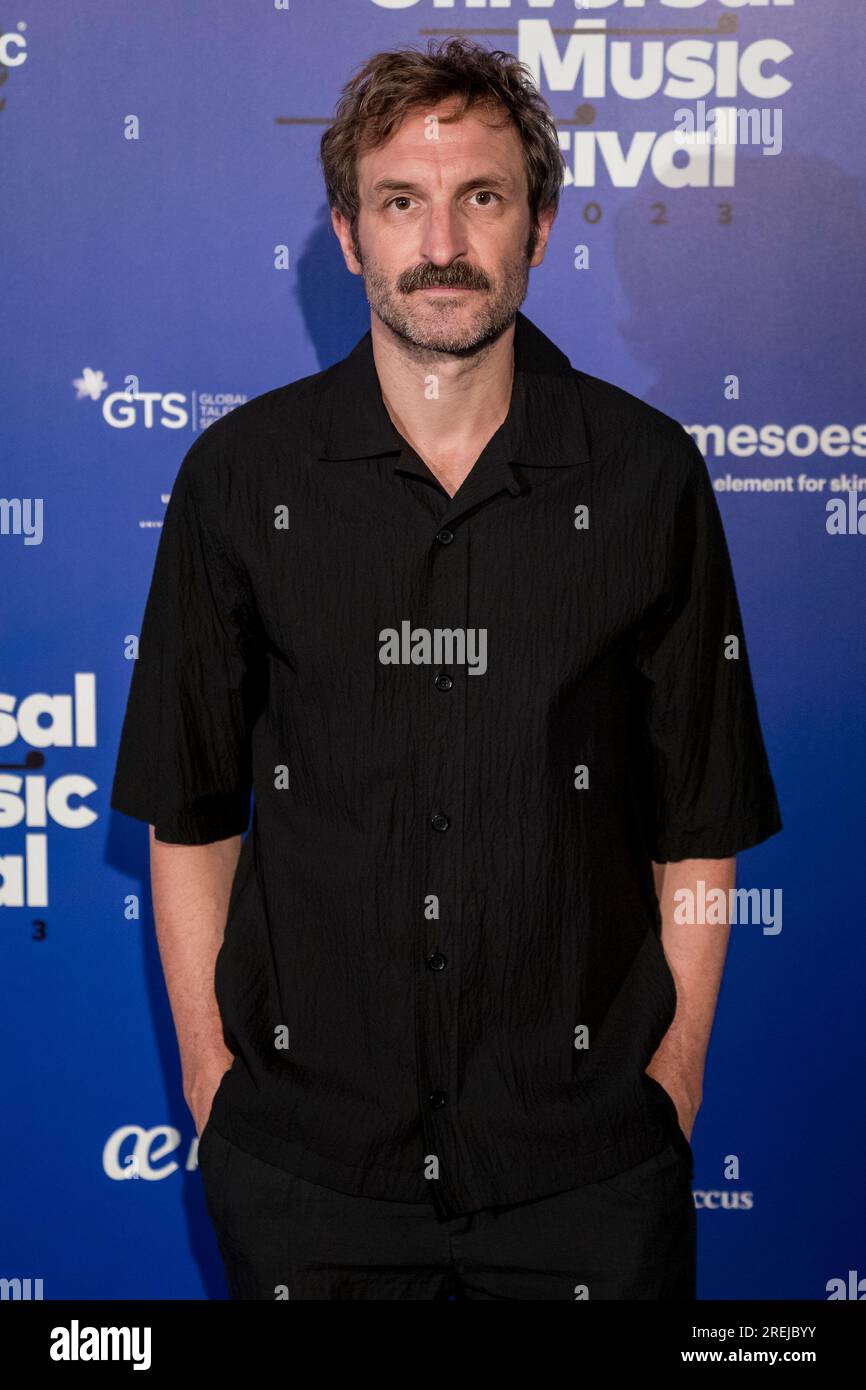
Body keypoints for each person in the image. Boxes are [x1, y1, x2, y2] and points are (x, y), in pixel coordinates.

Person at [110, 37, 782, 1300]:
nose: (442, 241)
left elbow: (699, 814)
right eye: (400, 201)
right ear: (349, 235)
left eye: (481, 196)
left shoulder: (644, 478)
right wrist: (212, 1073)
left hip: (584, 1175)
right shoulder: (241, 482)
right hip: (309, 1175)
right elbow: (191, 812)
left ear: (536, 224)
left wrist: (676, 1059)